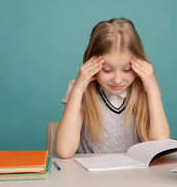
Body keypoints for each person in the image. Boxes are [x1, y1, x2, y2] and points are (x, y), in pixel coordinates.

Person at [56, 18, 170, 159]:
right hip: (90, 179)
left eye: (127, 70)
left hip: (136, 178)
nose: (117, 80)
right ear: (91, 64)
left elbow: (160, 145)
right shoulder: (79, 89)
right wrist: (78, 89)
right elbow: (65, 150)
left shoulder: (144, 90)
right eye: (107, 70)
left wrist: (153, 90)